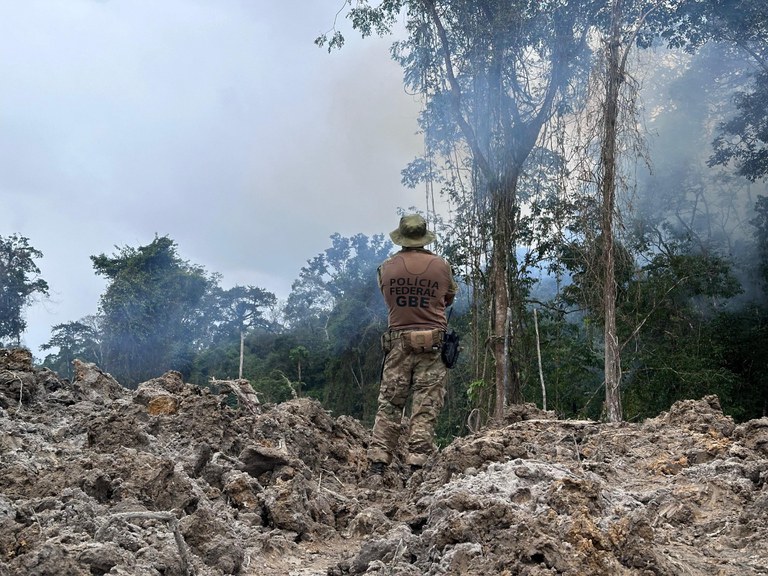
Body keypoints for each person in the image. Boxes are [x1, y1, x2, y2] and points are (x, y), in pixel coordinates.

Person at [367, 214, 458, 475]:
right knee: (425, 407)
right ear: (424, 237)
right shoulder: (442, 266)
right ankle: (417, 465)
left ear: (402, 237)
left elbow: (388, 298)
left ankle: (378, 462)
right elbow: (448, 298)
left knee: (390, 404)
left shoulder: (386, 268)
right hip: (433, 345)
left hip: (397, 344)